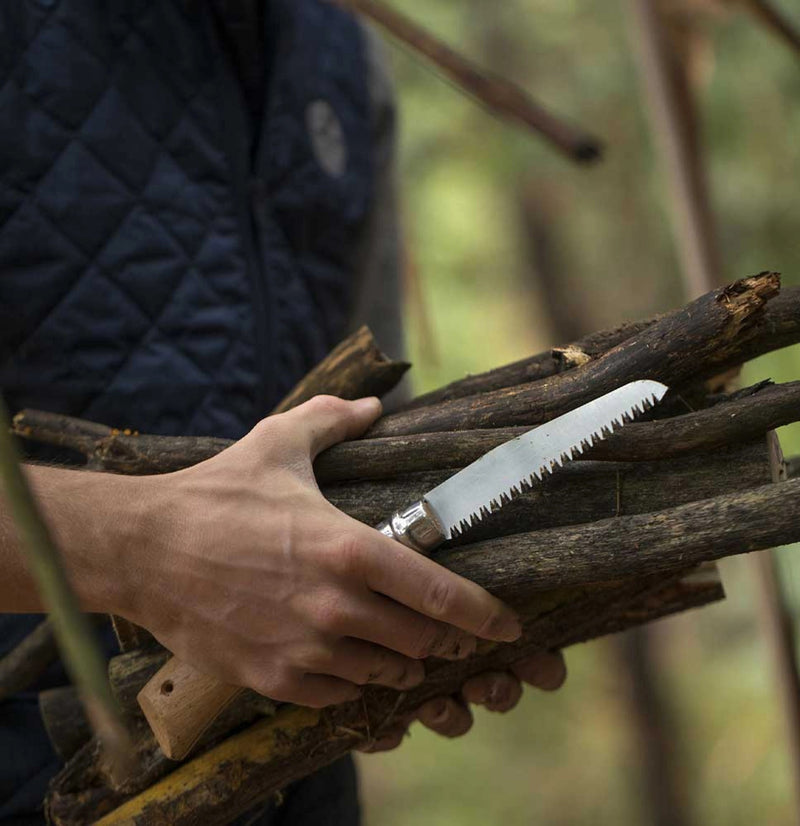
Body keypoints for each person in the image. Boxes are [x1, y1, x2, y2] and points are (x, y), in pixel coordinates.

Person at [0, 2, 566, 824]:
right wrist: (143, 547)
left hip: (294, 786)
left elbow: (364, 427)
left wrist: (402, 623)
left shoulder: (340, 55)